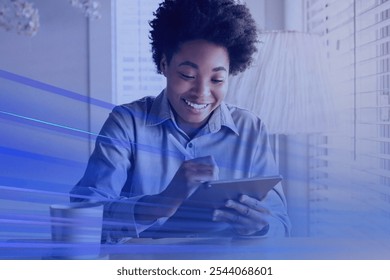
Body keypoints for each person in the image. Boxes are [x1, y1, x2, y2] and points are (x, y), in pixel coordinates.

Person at [71, 0, 291, 242]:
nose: (201, 92)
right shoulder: (127, 123)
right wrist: (160, 204)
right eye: (188, 75)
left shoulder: (250, 128)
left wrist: (260, 227)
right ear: (164, 64)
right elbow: (84, 217)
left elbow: (281, 224)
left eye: (217, 79)